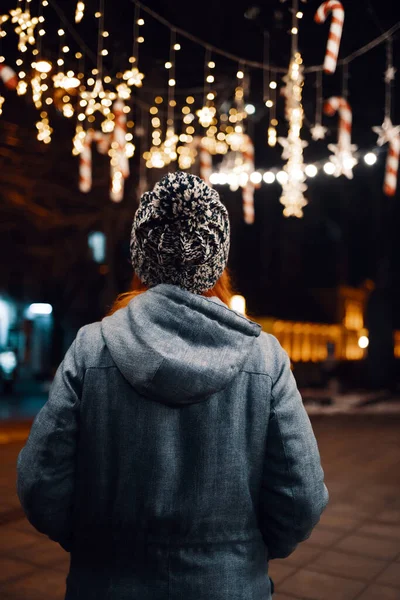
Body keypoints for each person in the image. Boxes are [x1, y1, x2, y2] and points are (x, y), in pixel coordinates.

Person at [17, 172, 328, 600]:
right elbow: (302, 497)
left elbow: (39, 484)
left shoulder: (91, 349)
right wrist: (243, 554)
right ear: (216, 260)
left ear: (141, 257)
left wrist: (96, 546)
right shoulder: (265, 357)